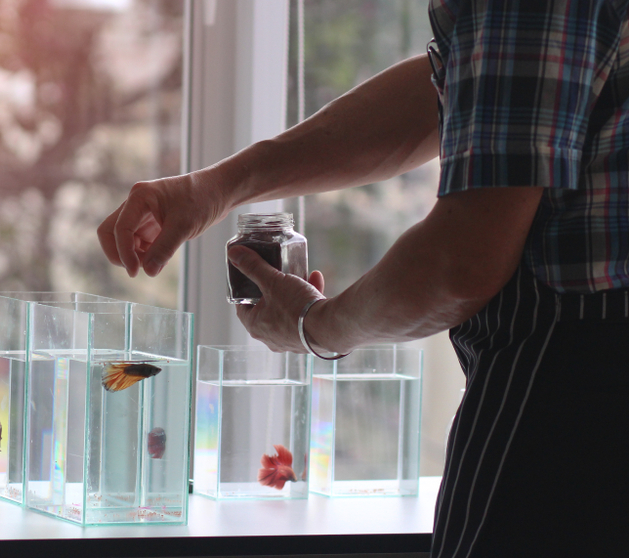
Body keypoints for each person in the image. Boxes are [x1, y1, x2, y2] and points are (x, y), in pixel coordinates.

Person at [97, 1, 629, 556]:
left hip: (578, 393)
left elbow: (464, 260)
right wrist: (218, 186)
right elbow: (464, 88)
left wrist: (314, 325)